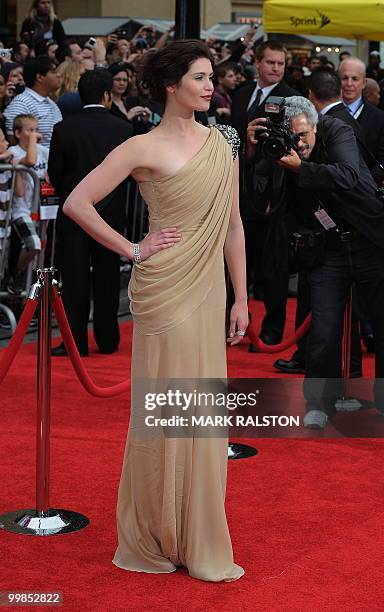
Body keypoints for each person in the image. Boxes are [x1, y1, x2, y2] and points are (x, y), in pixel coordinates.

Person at [61, 40, 247, 581]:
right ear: (171, 85)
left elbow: (234, 226)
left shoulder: (223, 144)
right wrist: (132, 247)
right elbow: (76, 202)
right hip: (165, 289)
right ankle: (156, 532)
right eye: (199, 77)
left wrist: (241, 296)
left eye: (212, 77)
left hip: (209, 288)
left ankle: (198, 534)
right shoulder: (141, 146)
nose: (211, 86)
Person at [246, 96, 384, 429]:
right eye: (293, 136)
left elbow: (349, 177)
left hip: (369, 242)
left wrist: (300, 168)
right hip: (327, 250)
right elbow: (261, 200)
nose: (299, 143)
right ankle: (321, 402)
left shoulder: (337, 130)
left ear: (315, 124)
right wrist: (254, 154)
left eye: (305, 135)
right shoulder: (278, 147)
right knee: (323, 330)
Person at [48, 69, 134, 357]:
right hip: (111, 216)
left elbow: (55, 174)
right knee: (108, 275)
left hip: (74, 215)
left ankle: (76, 343)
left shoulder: (64, 128)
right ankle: (108, 340)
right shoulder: (123, 129)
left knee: (74, 278)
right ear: (107, 95)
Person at [231, 41, 295, 347]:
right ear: (257, 62)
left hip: (276, 192)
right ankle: (234, 322)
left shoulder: (292, 99)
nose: (276, 69)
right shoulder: (241, 94)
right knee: (238, 259)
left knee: (273, 266)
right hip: (240, 188)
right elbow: (231, 141)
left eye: (280, 64)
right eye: (271, 63)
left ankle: (273, 328)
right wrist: (249, 144)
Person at [7, 114, 47, 294]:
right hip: (20, 209)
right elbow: (30, 161)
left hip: (43, 208)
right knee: (34, 244)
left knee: (43, 251)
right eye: (29, 130)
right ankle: (15, 273)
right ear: (17, 133)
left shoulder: (43, 151)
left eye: (36, 130)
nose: (34, 134)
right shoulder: (13, 153)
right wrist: (33, 142)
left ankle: (30, 291)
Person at [339, 57, 384, 186]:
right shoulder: (326, 113)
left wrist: (365, 183)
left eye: (355, 79)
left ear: (364, 83)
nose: (349, 84)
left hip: (368, 191)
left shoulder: (379, 118)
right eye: (344, 78)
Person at [3, 55, 61, 148]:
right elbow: (13, 141)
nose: (58, 75)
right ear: (40, 77)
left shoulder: (51, 103)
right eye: (53, 72)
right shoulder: (21, 103)